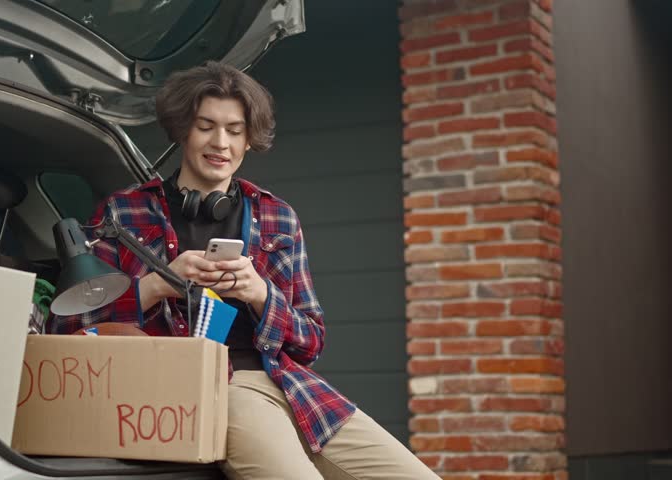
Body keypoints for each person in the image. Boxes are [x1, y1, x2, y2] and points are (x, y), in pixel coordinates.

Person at [51, 62, 439, 480]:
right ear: (182, 130)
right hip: (210, 389)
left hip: (293, 388)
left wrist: (260, 294)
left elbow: (311, 341)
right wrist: (158, 285)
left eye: (235, 131)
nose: (220, 143)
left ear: (249, 139)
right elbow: (69, 329)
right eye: (205, 127)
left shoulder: (278, 216)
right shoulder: (123, 213)